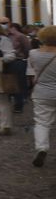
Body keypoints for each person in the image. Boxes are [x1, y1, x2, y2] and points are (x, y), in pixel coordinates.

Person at [27, 25, 56, 168]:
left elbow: (31, 74)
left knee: (42, 122)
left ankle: (42, 148)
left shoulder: (33, 53)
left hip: (42, 92)